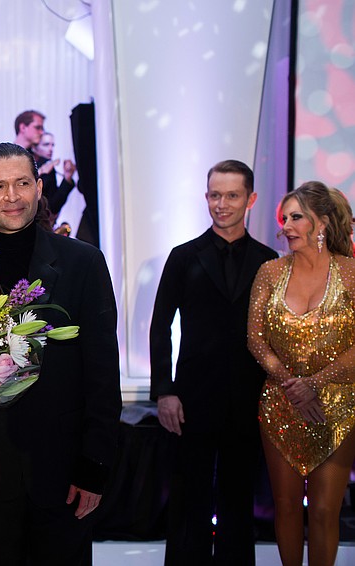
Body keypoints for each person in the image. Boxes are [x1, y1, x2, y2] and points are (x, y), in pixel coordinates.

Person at [0, 142, 121, 564]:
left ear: (39, 188)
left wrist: (94, 467)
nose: (12, 196)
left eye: (22, 183)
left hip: (63, 465)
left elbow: (102, 372)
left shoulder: (83, 262)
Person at [149, 160, 278, 565]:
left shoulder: (267, 259)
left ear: (250, 199)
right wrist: (164, 392)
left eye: (231, 195)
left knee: (239, 494)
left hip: (250, 396)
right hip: (191, 397)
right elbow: (159, 328)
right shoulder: (184, 256)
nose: (221, 204)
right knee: (188, 494)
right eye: (214, 195)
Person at [248, 181, 355, 566]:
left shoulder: (351, 273)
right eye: (284, 218)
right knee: (287, 507)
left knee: (326, 511)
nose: (286, 226)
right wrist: (292, 386)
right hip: (281, 402)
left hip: (338, 406)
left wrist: (315, 384)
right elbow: (255, 339)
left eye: (296, 218)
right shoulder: (270, 271)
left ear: (322, 222)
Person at [32, 131, 77, 218]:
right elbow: (53, 207)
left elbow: (54, 205)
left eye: (52, 145)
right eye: (46, 144)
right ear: (34, 147)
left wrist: (67, 177)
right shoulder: (46, 169)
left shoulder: (49, 167)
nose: (50, 149)